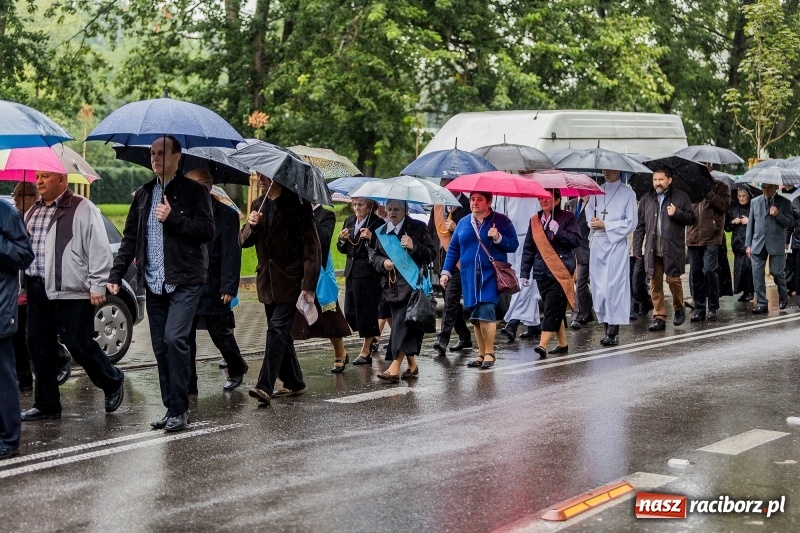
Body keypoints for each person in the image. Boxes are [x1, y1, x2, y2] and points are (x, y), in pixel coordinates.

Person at [108, 136, 214, 432]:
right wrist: (115, 275)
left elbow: (207, 230)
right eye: (152, 153)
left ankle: (180, 409)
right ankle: (171, 408)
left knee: (174, 339)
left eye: (161, 153)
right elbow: (130, 238)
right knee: (160, 346)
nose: (155, 158)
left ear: (177, 157)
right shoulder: (144, 194)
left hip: (185, 280)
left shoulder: (194, 192)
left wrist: (173, 218)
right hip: (154, 282)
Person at [22, 171, 124, 422]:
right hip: (37, 288)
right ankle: (46, 403)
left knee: (79, 344)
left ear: (62, 180)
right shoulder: (32, 211)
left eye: (45, 176)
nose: (39, 181)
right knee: (38, 345)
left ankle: (112, 381)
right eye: (37, 176)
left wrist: (98, 284)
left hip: (71, 290)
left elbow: (99, 247)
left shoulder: (82, 207)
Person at [240, 172, 320, 404]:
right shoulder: (258, 204)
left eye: (265, 175)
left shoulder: (298, 205)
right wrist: (251, 225)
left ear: (279, 176)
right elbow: (243, 241)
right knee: (281, 335)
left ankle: (264, 385)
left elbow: (312, 248)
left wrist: (308, 284)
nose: (260, 179)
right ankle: (295, 382)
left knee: (276, 330)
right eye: (258, 175)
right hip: (267, 282)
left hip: (291, 281)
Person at [184, 169, 248, 392]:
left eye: (199, 183)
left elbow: (232, 253)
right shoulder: (184, 212)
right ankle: (189, 382)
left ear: (210, 185)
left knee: (219, 331)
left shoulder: (226, 214)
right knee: (185, 334)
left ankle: (237, 366)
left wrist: (229, 286)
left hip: (214, 283)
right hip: (188, 283)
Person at [441, 192, 519, 368]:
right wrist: (446, 272)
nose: (475, 202)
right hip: (469, 276)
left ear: (489, 202)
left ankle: (490, 352)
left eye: (480, 199)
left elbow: (514, 244)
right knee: (476, 316)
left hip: (490, 275)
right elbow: (453, 249)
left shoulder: (501, 221)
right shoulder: (463, 222)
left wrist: (498, 237)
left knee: (486, 311)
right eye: (472, 199)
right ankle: (481, 353)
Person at [369, 199, 436, 382]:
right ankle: (412, 365)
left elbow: (432, 254)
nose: (392, 212)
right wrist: (383, 262)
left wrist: (415, 246)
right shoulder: (381, 232)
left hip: (413, 286)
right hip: (391, 288)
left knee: (401, 325)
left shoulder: (418, 227)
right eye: (389, 209)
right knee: (406, 325)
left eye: (396, 209)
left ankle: (394, 368)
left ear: (405, 210)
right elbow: (373, 256)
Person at [519, 189, 581, 358]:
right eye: (541, 198)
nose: (543, 201)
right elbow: (529, 248)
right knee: (555, 307)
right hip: (541, 271)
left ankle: (542, 345)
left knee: (552, 308)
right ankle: (562, 343)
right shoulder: (535, 220)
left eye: (548, 198)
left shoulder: (567, 217)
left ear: (557, 200)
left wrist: (559, 231)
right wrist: (524, 272)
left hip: (561, 269)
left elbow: (576, 240)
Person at [632, 167, 696, 332]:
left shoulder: (681, 197)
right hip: (652, 249)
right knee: (655, 284)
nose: (657, 183)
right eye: (655, 180)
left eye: (661, 179)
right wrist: (637, 249)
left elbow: (691, 219)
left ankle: (679, 307)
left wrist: (677, 213)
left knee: (673, 280)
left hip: (672, 248)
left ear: (669, 180)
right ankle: (659, 316)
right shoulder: (646, 199)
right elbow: (640, 226)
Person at [293, 204, 351, 373]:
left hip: (319, 272)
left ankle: (340, 352)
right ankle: (286, 362)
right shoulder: (294, 212)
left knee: (330, 317)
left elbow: (324, 240)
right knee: (291, 320)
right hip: (297, 272)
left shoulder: (326, 215)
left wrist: (308, 216)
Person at [586, 169, 638, 346]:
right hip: (598, 244)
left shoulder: (628, 194)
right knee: (599, 287)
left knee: (613, 287)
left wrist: (606, 224)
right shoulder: (596, 192)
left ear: (619, 169)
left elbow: (631, 222)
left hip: (615, 244)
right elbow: (589, 214)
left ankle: (613, 330)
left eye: (610, 169)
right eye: (603, 169)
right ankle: (605, 324)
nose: (606, 172)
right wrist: (593, 221)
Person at [0, 196, 34, 459]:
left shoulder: (5, 212)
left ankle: (8, 438)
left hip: (0, 310)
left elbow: (24, 254)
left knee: (3, 377)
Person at [337, 197, 384, 365]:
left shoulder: (377, 223)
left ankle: (366, 349)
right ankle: (371, 335)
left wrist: (371, 237)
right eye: (354, 204)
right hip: (351, 271)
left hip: (368, 273)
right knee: (350, 312)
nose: (356, 208)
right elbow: (342, 249)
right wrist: (342, 239)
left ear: (369, 206)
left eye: (360, 205)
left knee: (366, 311)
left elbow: (383, 248)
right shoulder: (349, 220)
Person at [428, 182, 473, 355]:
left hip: (460, 260)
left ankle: (443, 340)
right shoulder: (438, 206)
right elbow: (431, 231)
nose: (445, 189)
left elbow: (474, 233)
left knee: (451, 299)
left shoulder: (468, 205)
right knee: (450, 301)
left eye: (448, 185)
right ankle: (464, 336)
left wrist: (456, 228)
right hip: (442, 260)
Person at [686, 177, 731, 321]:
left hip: (712, 236)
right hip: (693, 236)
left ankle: (713, 307)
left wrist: (708, 193)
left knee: (709, 271)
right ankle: (699, 308)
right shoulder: (689, 186)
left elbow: (725, 206)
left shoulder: (721, 186)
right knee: (696, 273)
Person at [746, 183, 793, 314]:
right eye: (764, 187)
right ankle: (762, 304)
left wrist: (778, 215)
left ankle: (783, 296)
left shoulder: (785, 202)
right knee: (757, 275)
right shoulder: (755, 202)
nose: (766, 190)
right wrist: (748, 245)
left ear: (776, 188)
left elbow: (790, 224)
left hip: (776, 243)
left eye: (769, 188)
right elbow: (751, 224)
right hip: (758, 243)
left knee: (777, 272)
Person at [565, 195, 593, 329]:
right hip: (572, 250)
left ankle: (577, 315)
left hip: (586, 248)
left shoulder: (593, 203)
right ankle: (587, 312)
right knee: (577, 282)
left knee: (581, 282)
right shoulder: (570, 204)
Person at [726, 187, 755, 302]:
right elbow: (727, 227)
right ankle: (744, 291)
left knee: (748, 268)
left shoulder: (753, 206)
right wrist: (733, 222)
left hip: (750, 243)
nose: (741, 198)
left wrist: (749, 221)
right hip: (737, 243)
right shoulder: (733, 207)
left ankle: (750, 291)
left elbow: (759, 224)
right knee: (739, 270)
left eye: (744, 196)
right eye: (739, 196)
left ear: (748, 196)